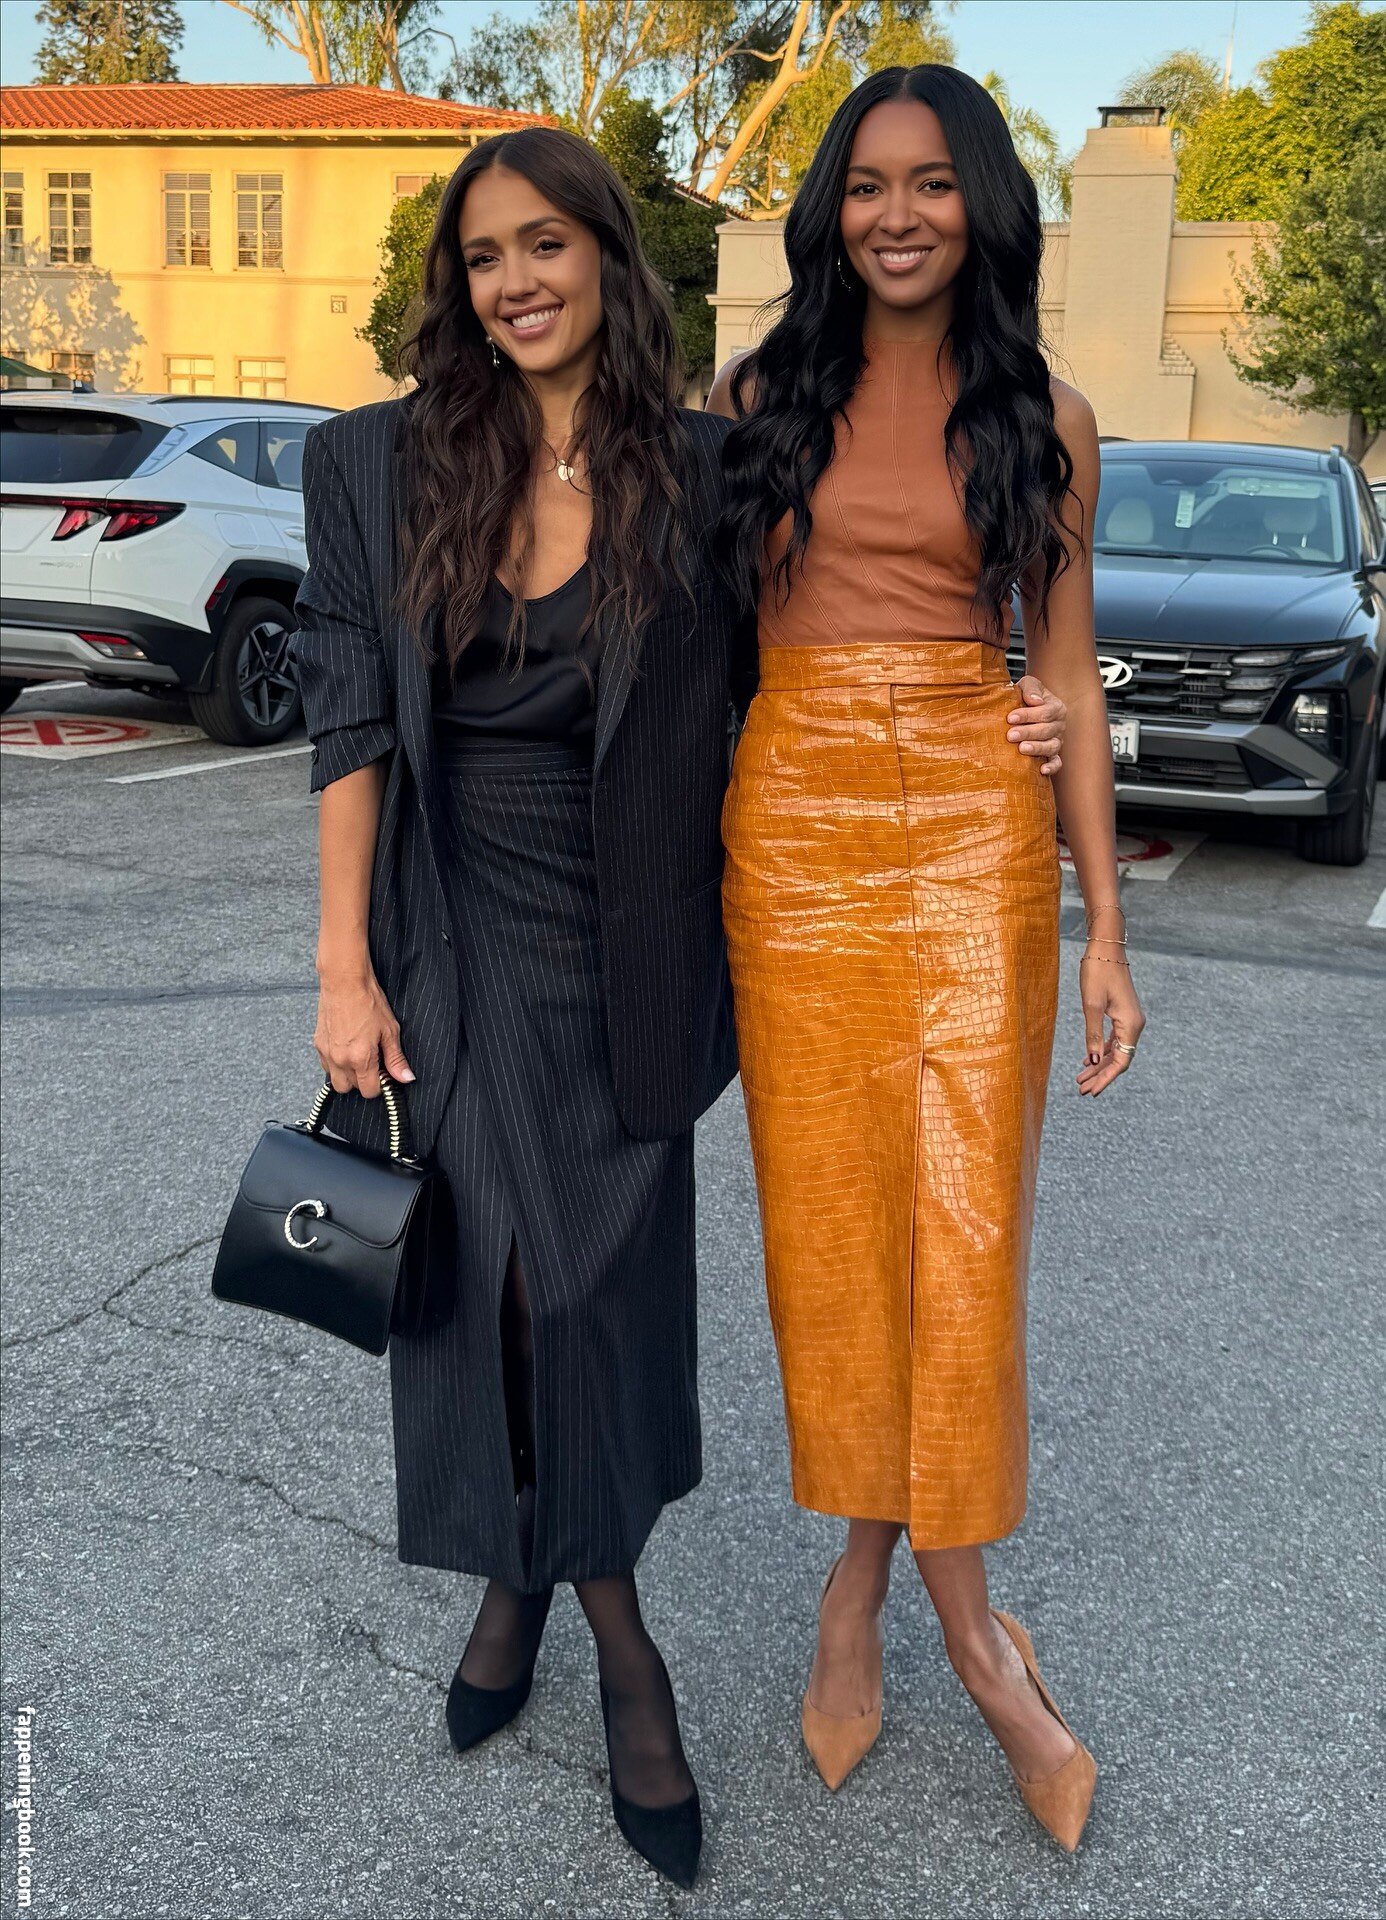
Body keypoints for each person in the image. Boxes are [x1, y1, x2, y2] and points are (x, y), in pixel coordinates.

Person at [291, 124, 1066, 1891]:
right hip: (452, 935)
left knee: (591, 1298)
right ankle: (626, 1659)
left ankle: (513, 1594)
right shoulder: (375, 464)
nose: (518, 281)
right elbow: (346, 725)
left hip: (638, 944)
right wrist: (342, 966)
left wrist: (1007, 709)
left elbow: (850, 628)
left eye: (547, 243)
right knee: (503, 1293)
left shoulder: (705, 469)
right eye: (485, 255)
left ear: (608, 258)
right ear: (459, 287)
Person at [710, 64, 1144, 1854]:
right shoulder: (754, 400)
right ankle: (886, 1593)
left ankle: (949, 1632)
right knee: (832, 1233)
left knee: (962, 1239)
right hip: (793, 832)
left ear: (984, 207)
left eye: (934, 184)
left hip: (976, 832)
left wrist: (1107, 922)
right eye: (870, 185)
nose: (899, 215)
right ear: (833, 209)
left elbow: (1067, 676)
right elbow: (691, 640)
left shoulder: (1049, 415)